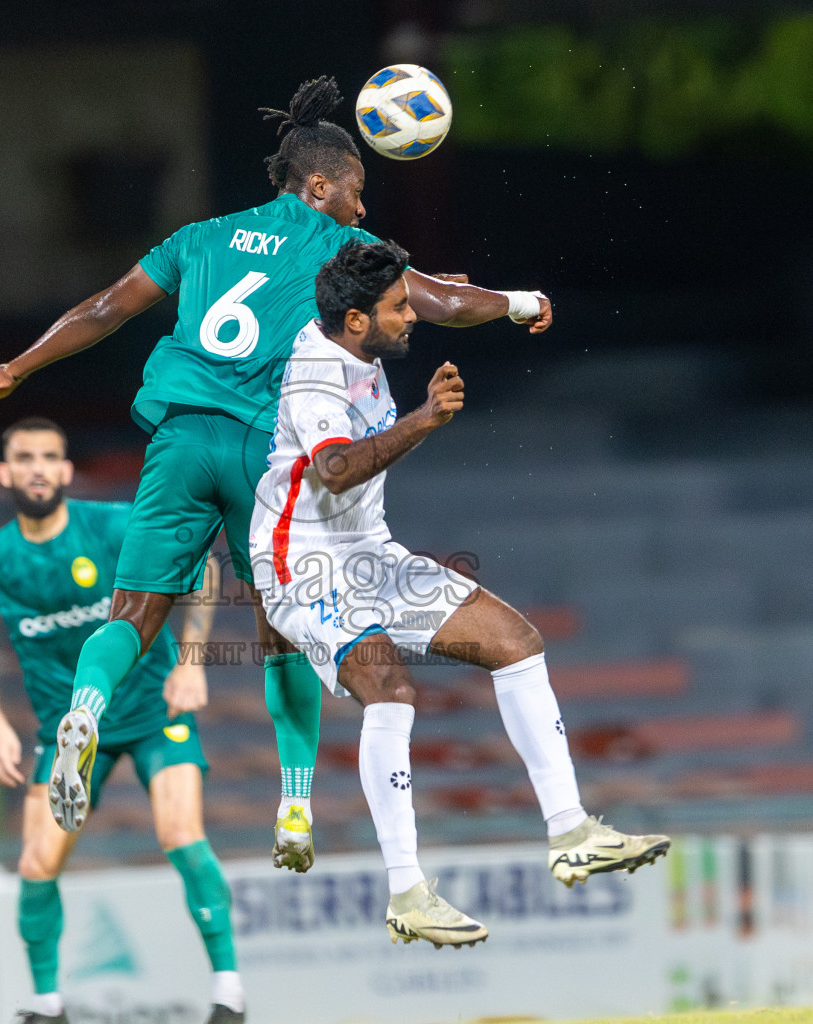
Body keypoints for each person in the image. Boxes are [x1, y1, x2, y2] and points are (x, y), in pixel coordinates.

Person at [0, 76, 552, 871]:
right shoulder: (338, 250)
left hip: (177, 441)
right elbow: (441, 302)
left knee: (133, 612)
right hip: (262, 450)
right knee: (283, 626)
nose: (363, 208)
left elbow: (105, 308)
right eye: (356, 191)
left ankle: (86, 708)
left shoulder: (198, 236)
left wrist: (16, 367)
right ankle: (296, 805)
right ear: (319, 187)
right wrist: (520, 302)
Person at [249, 242, 671, 948]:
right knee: (389, 688)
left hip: (369, 552)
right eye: (398, 309)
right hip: (302, 562)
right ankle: (407, 893)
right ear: (355, 321)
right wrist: (425, 418)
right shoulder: (317, 377)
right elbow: (335, 470)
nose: (411, 316)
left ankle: (571, 832)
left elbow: (439, 302)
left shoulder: (352, 333)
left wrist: (497, 300)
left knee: (515, 642)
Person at [0, 417, 245, 1023]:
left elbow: (201, 565)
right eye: (24, 458)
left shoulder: (113, 526)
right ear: (4, 474)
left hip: (153, 711)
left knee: (181, 835)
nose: (38, 468)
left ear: (66, 470)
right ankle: (48, 1006)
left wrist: (191, 663)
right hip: (66, 732)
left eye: (49, 457)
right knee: (37, 864)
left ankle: (228, 994)